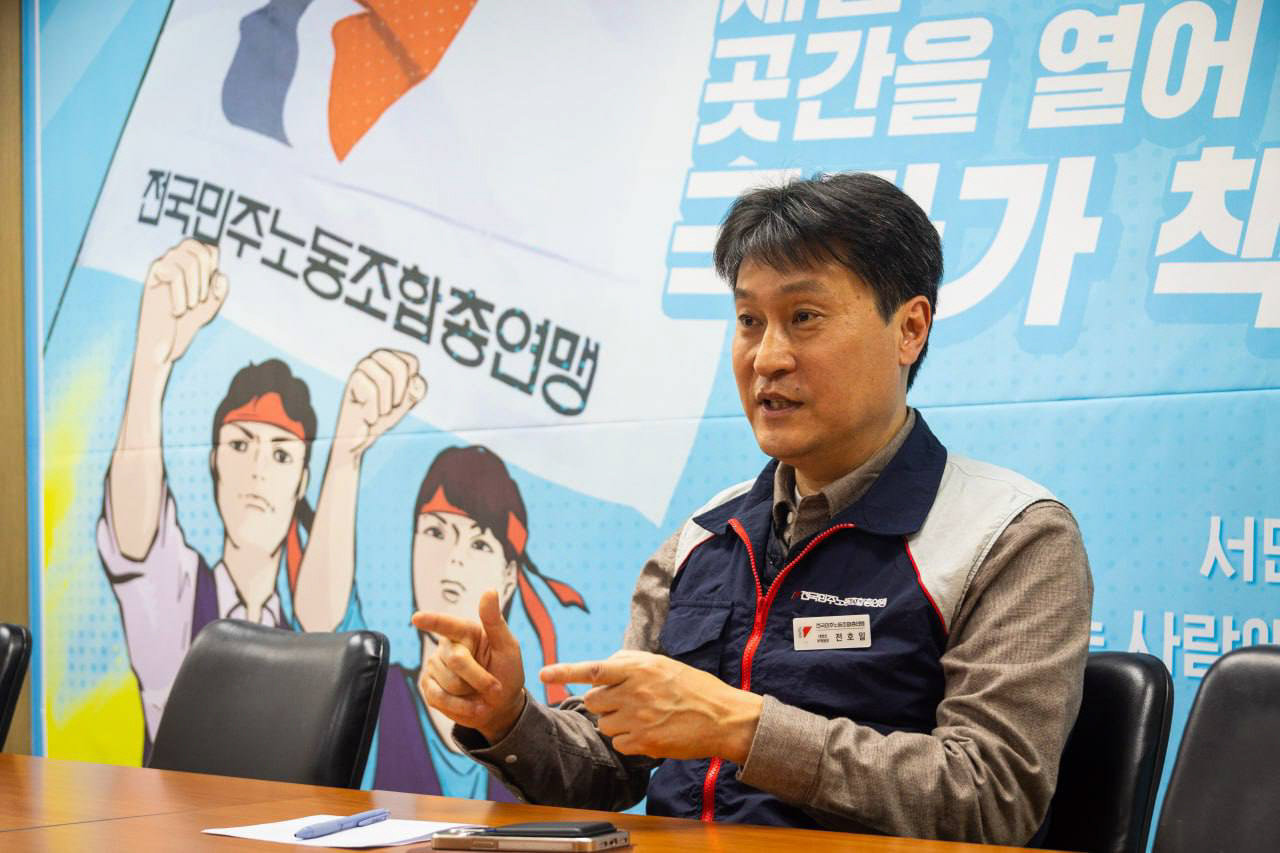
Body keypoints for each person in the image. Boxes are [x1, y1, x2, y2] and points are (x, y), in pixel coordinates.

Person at [412, 173, 1094, 845]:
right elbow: (610, 766)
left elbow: (990, 798)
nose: (767, 358)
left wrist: (742, 727)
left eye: (804, 317)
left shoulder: (1009, 536)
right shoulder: (706, 534)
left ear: (909, 329)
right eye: (749, 321)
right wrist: (506, 716)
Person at [98, 238, 423, 755]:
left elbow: (324, 622)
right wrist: (152, 359)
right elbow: (136, 537)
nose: (257, 470)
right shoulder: (180, 603)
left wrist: (347, 456)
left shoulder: (310, 621)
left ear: (302, 481)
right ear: (214, 462)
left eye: (281, 454)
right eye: (239, 444)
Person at [350, 446, 587, 797]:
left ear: (509, 578)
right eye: (435, 532)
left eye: (479, 544)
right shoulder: (372, 701)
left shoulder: (534, 745)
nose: (453, 558)